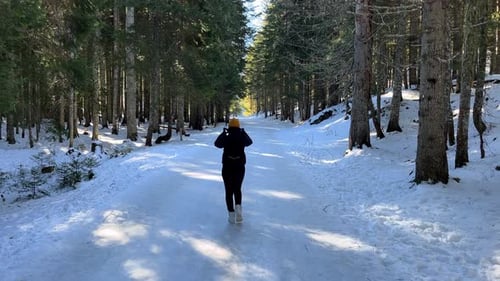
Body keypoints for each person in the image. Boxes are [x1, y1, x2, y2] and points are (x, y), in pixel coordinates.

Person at [214, 118, 253, 224]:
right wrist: (244, 132)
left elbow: (217, 144)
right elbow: (250, 142)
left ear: (229, 126)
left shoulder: (226, 136)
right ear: (238, 126)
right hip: (240, 166)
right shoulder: (241, 135)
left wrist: (223, 133)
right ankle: (238, 208)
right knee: (237, 189)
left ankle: (231, 214)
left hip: (227, 166)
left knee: (228, 191)